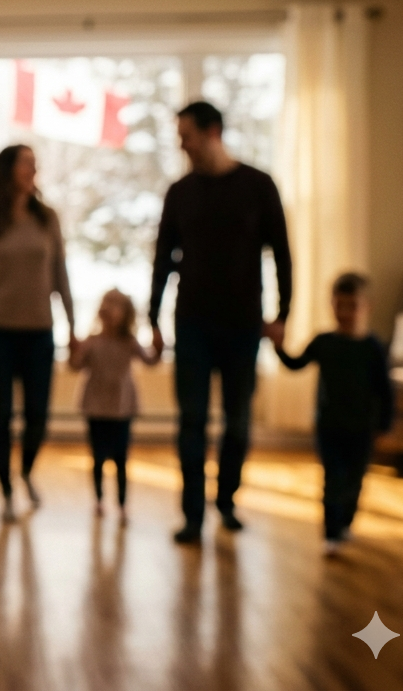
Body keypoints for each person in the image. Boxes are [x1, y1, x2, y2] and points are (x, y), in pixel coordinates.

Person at [150, 101, 293, 545]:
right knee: (191, 421)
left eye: (186, 135)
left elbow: (283, 254)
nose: (182, 144)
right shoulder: (180, 192)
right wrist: (152, 318)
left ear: (212, 132)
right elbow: (162, 260)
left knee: (238, 421)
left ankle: (226, 501)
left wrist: (284, 314)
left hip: (243, 325)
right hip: (191, 322)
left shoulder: (258, 186)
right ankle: (193, 514)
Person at [0, 145, 76, 522]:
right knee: (0, 414)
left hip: (39, 331)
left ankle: (25, 471)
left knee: (38, 415)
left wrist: (74, 326)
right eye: (27, 162)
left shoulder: (48, 219)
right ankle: (6, 489)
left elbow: (60, 273)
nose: (34, 168)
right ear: (8, 170)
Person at [274, 273, 395, 556]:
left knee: (354, 480)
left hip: (362, 430)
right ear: (332, 305)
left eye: (353, 305)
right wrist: (278, 346)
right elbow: (296, 363)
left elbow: (385, 392)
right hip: (329, 427)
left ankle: (344, 524)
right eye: (340, 305)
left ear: (367, 306)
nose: (346, 313)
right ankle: (330, 533)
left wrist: (384, 424)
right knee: (333, 479)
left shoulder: (373, 349)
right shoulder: (324, 342)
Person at [70, 289, 160, 523]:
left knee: (121, 458)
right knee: (98, 457)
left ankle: (121, 503)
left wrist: (159, 346)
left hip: (122, 408)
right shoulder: (91, 342)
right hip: (96, 407)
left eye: (115, 304)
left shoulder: (129, 343)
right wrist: (74, 349)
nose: (109, 308)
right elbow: (75, 365)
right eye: (106, 303)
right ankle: (99, 499)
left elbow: (150, 360)